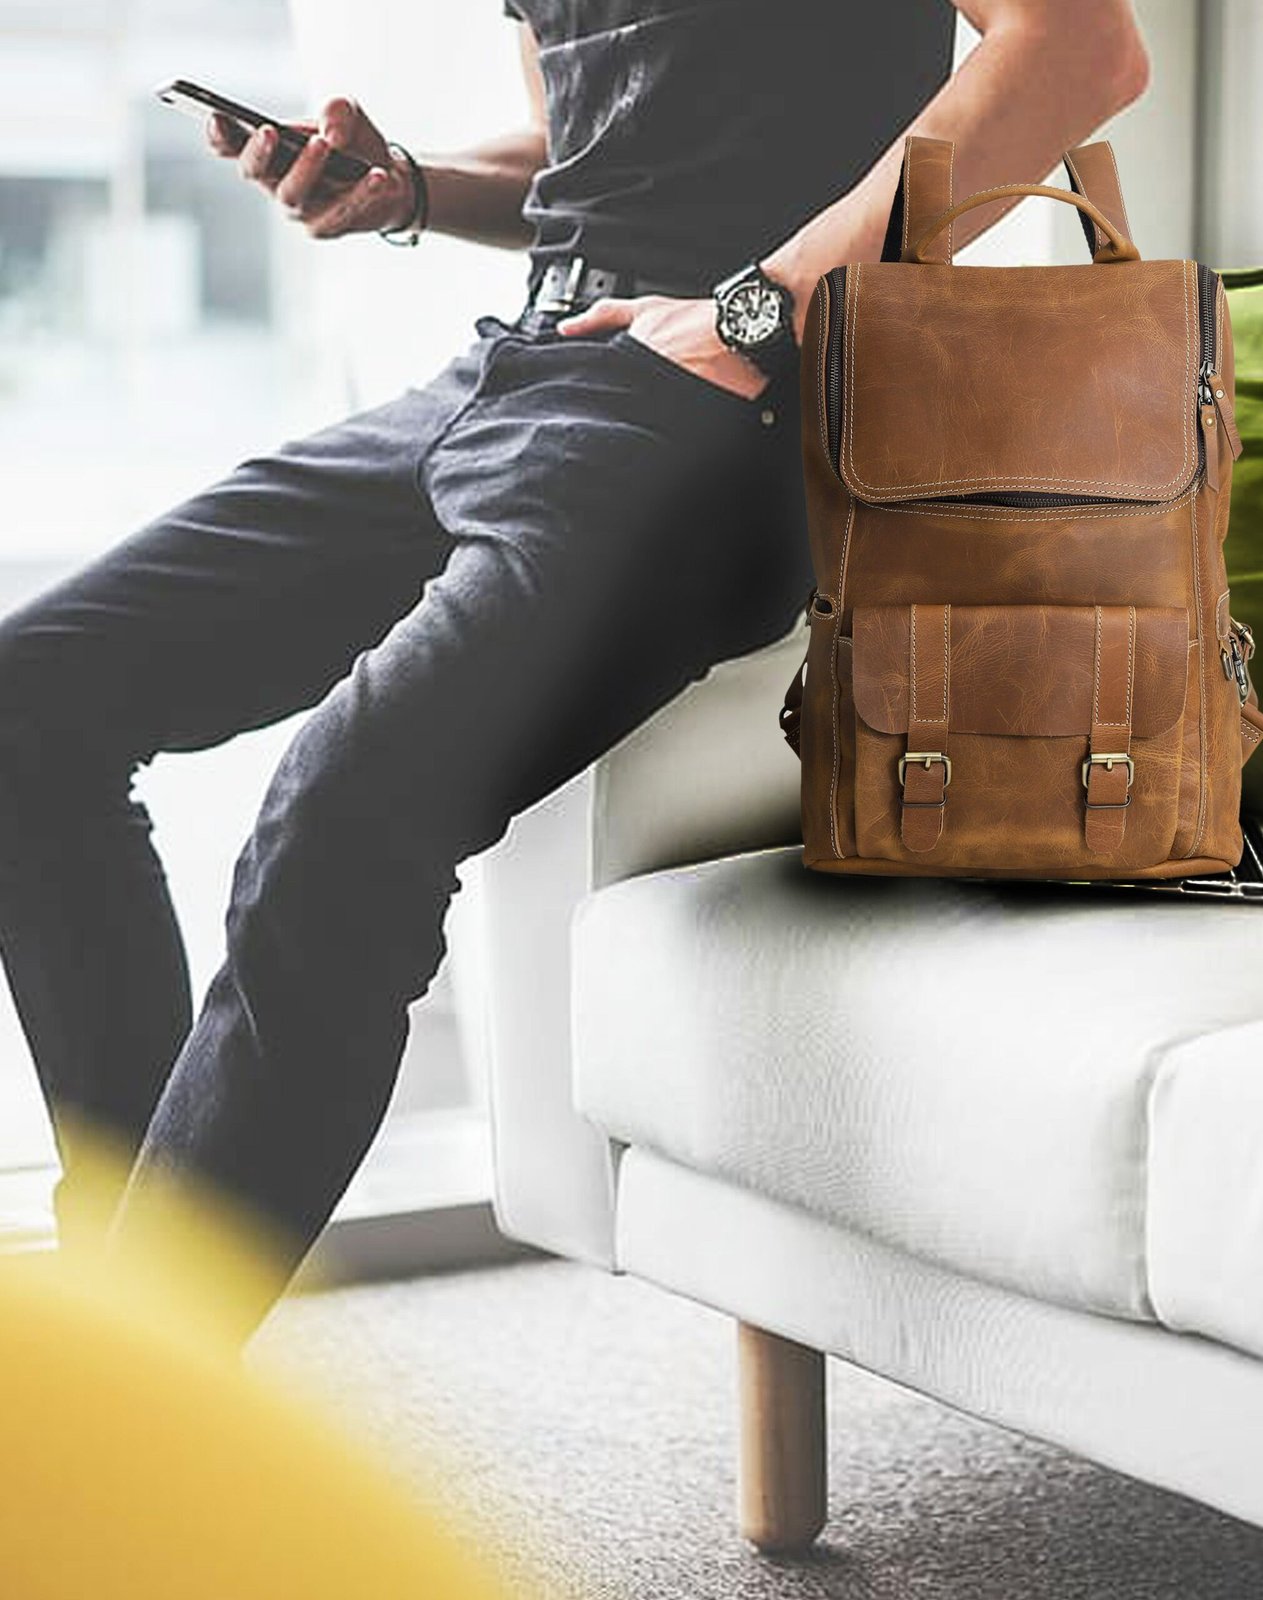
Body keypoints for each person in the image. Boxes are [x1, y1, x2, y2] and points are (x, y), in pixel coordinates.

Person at [0, 0, 1149, 1332]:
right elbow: (587, 152)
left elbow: (1083, 46)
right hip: (526, 361)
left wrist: (757, 313)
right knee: (30, 704)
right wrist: (412, 187)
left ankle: (133, 1386)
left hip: (739, 406)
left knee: (343, 817)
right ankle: (132, 1322)